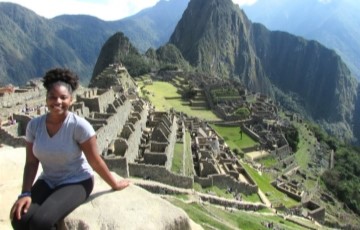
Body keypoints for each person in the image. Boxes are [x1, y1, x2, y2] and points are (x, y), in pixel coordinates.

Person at [10, 68, 129, 229]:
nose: (57, 102)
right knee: (18, 218)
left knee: (41, 223)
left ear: (71, 100)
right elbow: (31, 163)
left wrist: (114, 183)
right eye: (52, 97)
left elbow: (94, 160)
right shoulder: (34, 126)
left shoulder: (79, 126)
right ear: (46, 99)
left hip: (77, 181)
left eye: (63, 97)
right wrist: (25, 193)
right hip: (48, 180)